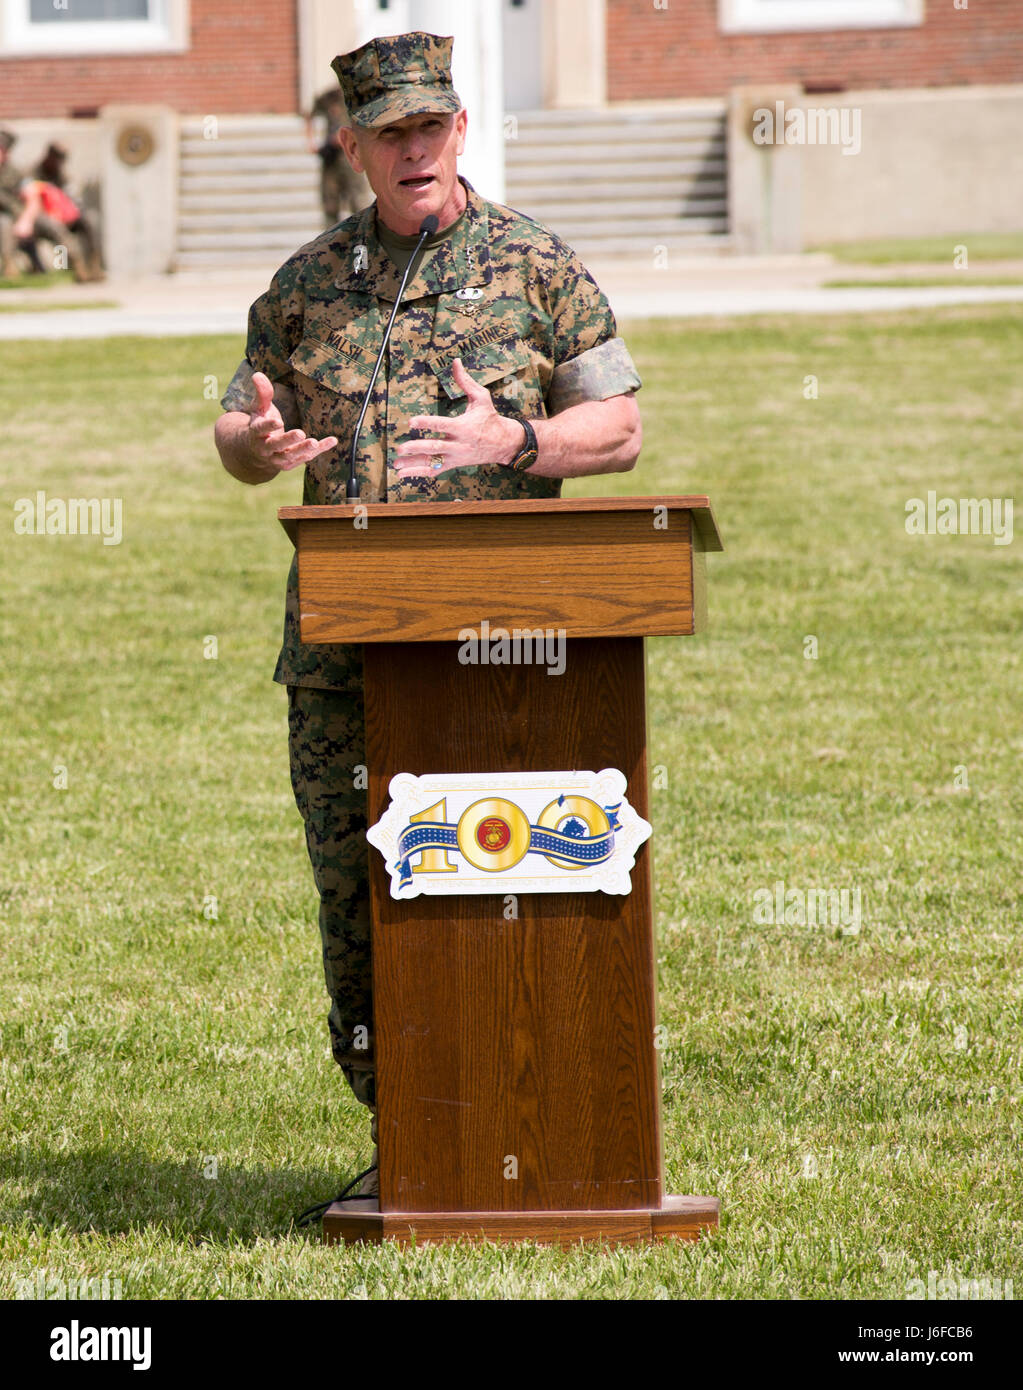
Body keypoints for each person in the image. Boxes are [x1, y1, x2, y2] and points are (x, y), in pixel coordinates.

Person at [213, 31, 642, 1199]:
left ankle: (549, 1131)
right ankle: (408, 1136)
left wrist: (521, 438)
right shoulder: (303, 288)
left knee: (517, 873)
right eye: (388, 131)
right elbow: (239, 431)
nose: (412, 149)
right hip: (344, 660)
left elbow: (622, 428)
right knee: (362, 898)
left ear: (459, 131)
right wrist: (252, 444)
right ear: (352, 145)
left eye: (429, 126)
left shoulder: (538, 266)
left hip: (508, 656)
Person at [304, 86, 369, 226]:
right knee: (330, 202)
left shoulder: (356, 95)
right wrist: (311, 142)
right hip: (331, 156)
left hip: (351, 156)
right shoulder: (328, 97)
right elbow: (309, 115)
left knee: (358, 201)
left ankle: (362, 237)